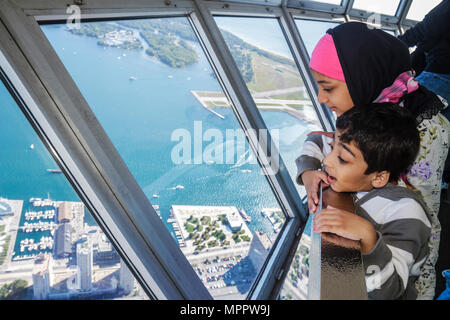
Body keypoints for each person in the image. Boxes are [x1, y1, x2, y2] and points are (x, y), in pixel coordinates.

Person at [296, 22, 450, 299]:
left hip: (403, 254)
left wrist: (369, 237)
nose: (320, 98)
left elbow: (421, 213)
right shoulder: (367, 109)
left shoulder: (425, 131)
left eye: (328, 87)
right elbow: (323, 138)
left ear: (361, 79)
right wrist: (308, 170)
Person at [313, 103, 431, 300]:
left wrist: (369, 237)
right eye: (333, 148)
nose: (327, 161)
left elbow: (391, 290)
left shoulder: (407, 213)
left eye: (342, 158)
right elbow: (315, 139)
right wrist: (307, 171)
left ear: (378, 178)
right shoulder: (358, 165)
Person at [397, 0, 450, 190]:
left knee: (401, 124)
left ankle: (404, 182)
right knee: (439, 133)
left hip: (441, 73)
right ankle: (430, 183)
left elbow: (428, 27)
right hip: (442, 75)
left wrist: (394, 45)